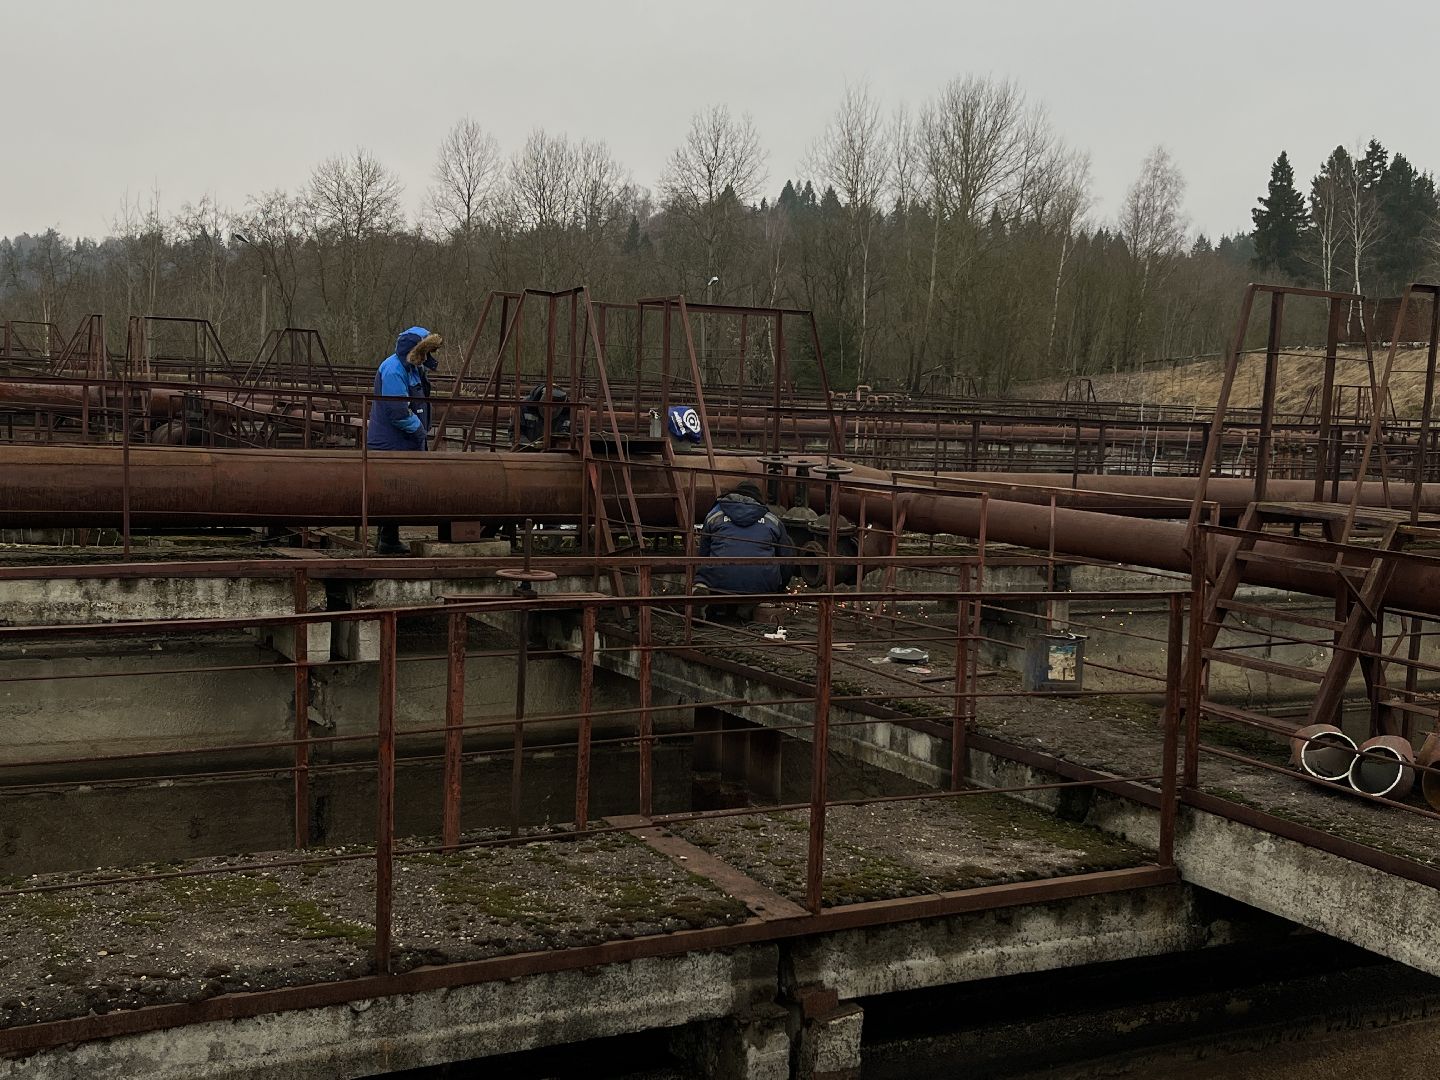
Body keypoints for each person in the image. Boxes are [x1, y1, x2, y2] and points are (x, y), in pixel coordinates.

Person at [366, 324, 443, 555]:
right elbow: (397, 411)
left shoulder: (412, 367)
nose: (426, 358)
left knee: (397, 489)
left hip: (404, 439)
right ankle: (388, 540)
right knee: (393, 489)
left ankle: (386, 538)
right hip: (391, 441)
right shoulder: (393, 369)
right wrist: (419, 430)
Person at [695, 480, 793, 620]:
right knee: (763, 582)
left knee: (704, 576)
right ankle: (751, 606)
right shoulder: (772, 520)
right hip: (762, 583)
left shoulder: (714, 515)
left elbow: (703, 553)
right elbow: (786, 558)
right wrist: (780, 586)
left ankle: (702, 592)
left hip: (718, 581)